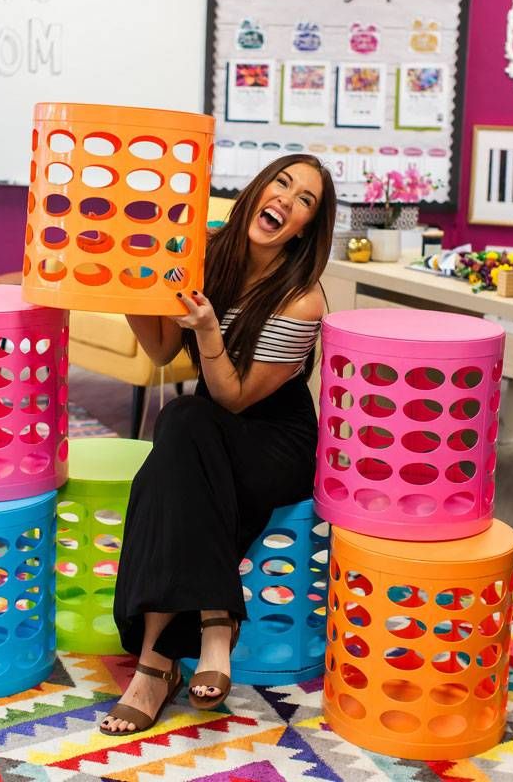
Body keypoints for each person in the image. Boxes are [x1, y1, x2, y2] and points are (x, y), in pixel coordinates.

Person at [100, 154, 336, 736]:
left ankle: (155, 665)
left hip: (273, 443)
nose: (287, 199)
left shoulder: (301, 297)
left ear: (307, 226)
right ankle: (213, 625)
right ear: (258, 190)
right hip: (204, 431)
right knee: (177, 439)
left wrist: (207, 330)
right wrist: (134, 277)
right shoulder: (206, 252)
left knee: (183, 429)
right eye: (282, 183)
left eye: (304, 199)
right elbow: (158, 350)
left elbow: (233, 398)